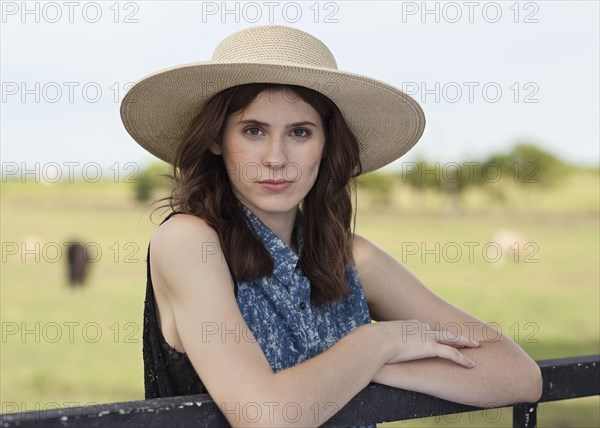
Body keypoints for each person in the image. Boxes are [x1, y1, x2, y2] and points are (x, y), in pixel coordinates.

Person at [121, 25, 542, 427]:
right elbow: (265, 416)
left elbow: (518, 375)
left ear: (326, 144)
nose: (275, 157)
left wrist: (365, 369)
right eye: (253, 130)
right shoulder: (190, 242)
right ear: (217, 139)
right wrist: (375, 345)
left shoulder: (350, 256)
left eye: (300, 132)